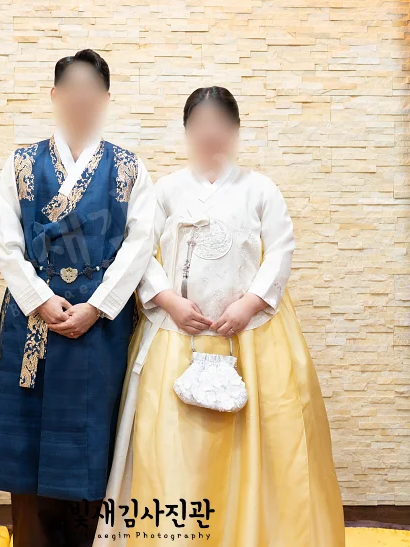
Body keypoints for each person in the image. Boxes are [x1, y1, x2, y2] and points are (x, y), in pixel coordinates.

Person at [98, 87, 344, 547]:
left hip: (251, 337)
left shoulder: (260, 189)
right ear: (187, 131)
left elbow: (281, 250)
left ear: (235, 130)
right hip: (175, 334)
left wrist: (250, 303)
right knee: (171, 446)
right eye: (200, 125)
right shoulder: (165, 190)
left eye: (220, 125)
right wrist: (168, 299)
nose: (210, 134)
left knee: (263, 445)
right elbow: (138, 252)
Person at [0, 49, 155, 547]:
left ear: (105, 98)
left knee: (91, 440)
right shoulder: (21, 163)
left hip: (99, 324)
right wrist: (38, 298)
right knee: (29, 445)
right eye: (71, 90)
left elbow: (141, 244)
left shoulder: (127, 168)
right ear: (55, 95)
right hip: (33, 321)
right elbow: (6, 243)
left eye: (91, 91)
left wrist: (97, 306)